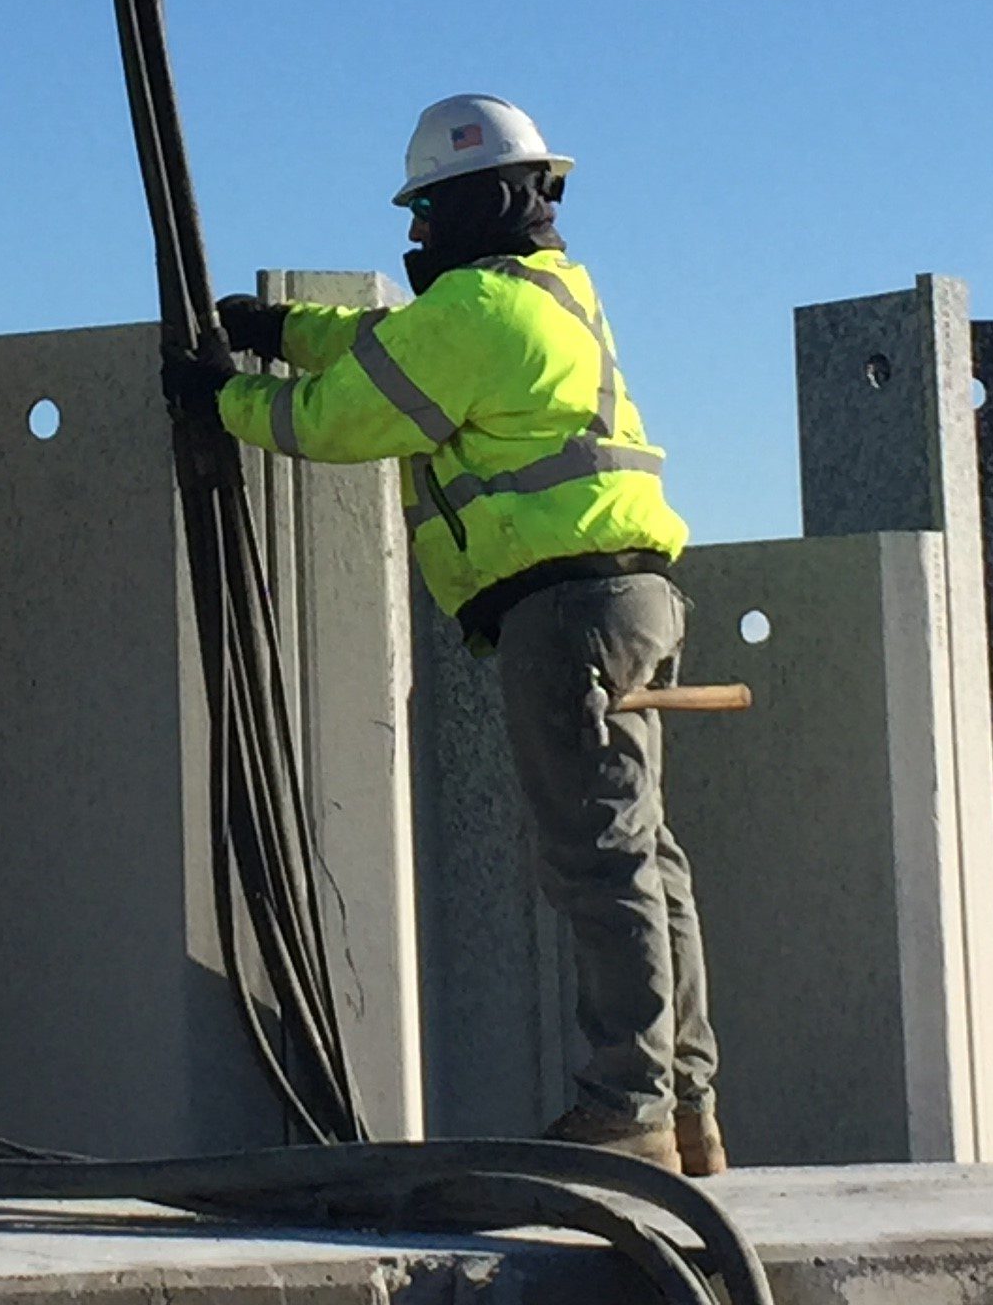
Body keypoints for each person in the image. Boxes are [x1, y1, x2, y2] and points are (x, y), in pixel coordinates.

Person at [170, 93, 721, 1176]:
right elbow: (389, 345)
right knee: (647, 859)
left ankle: (631, 1108)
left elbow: (336, 418)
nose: (414, 237)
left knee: (601, 864)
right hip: (634, 602)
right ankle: (688, 1106)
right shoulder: (551, 293)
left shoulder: (473, 313)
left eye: (425, 213)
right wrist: (281, 332)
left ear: (472, 205)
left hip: (565, 619)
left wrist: (220, 399)